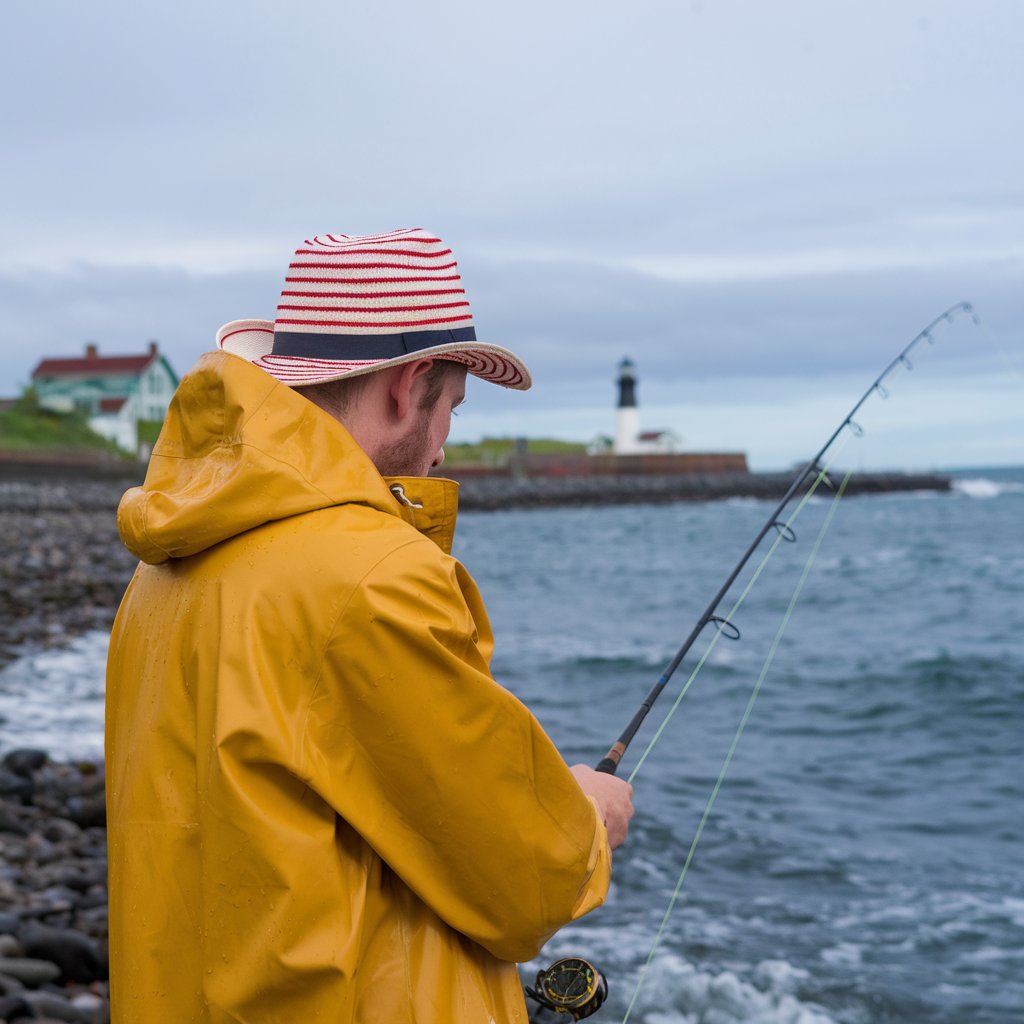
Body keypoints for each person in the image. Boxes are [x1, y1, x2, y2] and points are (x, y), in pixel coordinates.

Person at [105, 227, 634, 1023]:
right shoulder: (372, 576)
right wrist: (590, 813)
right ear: (409, 384)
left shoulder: (161, 569)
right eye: (452, 405)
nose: (444, 441)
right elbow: (525, 879)